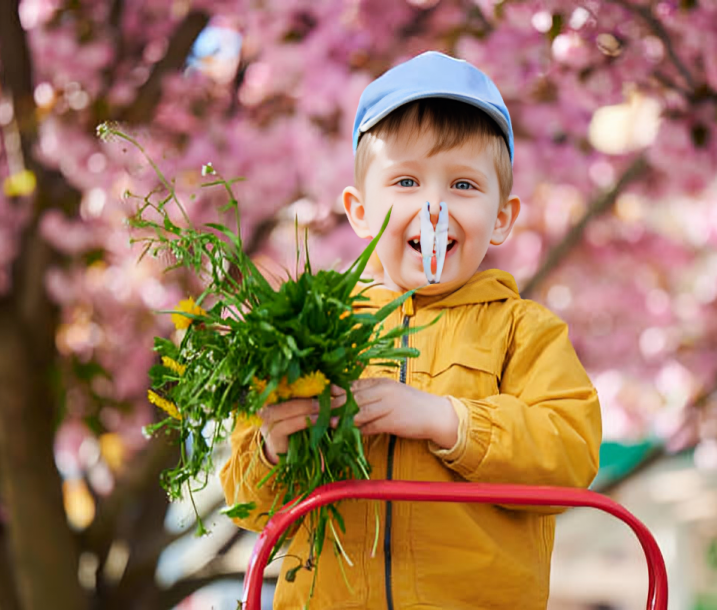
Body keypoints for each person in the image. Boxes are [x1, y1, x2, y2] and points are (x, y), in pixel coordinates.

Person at [220, 51, 602, 609]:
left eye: (464, 186)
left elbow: (569, 455)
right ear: (359, 210)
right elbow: (248, 502)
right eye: (405, 181)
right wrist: (274, 447)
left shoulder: (524, 330)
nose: (434, 208)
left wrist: (446, 420)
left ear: (502, 217)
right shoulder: (315, 330)